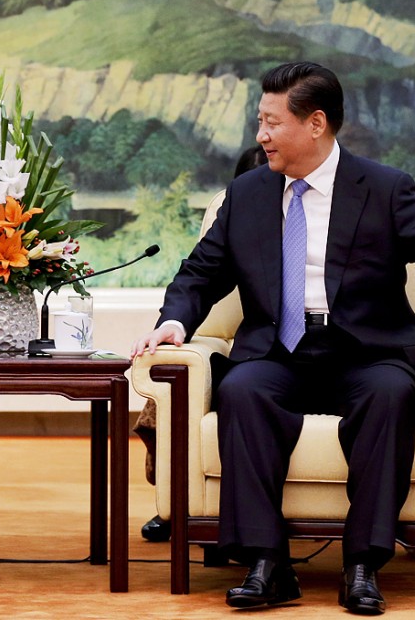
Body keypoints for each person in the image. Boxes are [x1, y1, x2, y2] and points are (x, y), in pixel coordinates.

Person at [131, 62, 415, 615]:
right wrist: (174, 322)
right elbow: (201, 272)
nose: (261, 135)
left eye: (272, 122)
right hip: (278, 351)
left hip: (366, 353)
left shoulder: (384, 188)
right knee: (241, 390)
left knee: (391, 395)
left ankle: (362, 565)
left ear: (316, 123)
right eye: (260, 121)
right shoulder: (247, 194)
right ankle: (267, 564)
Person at [135, 142, 270, 545]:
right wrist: (173, 324)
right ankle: (176, 502)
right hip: (251, 348)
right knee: (176, 377)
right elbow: (198, 277)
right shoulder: (239, 215)